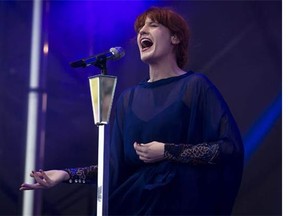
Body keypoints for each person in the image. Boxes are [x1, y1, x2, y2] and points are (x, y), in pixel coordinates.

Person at [20, 7, 244, 215]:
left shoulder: (195, 86)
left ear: (175, 38)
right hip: (135, 205)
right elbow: (114, 167)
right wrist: (67, 175)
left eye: (153, 25)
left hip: (178, 205)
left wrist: (168, 151)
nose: (143, 31)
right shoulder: (128, 99)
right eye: (140, 28)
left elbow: (227, 148)